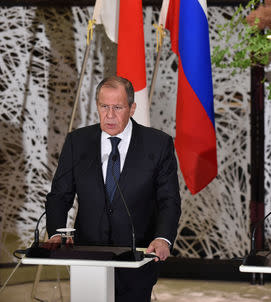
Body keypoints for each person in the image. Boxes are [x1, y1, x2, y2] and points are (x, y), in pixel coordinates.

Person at [45, 76, 181, 301]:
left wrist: (163, 238)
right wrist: (57, 232)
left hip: (137, 256)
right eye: (104, 107)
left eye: (117, 107)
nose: (109, 115)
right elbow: (60, 195)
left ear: (132, 108)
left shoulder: (157, 144)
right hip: (88, 256)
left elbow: (169, 200)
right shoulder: (77, 142)